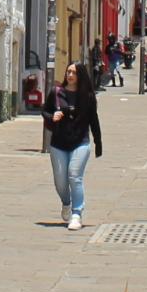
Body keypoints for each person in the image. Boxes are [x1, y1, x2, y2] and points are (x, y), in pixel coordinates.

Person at [44, 61, 104, 230]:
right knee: (60, 181)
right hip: (58, 143)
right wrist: (52, 116)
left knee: (74, 176)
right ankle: (66, 202)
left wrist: (98, 142)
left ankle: (77, 213)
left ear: (80, 76)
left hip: (80, 142)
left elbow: (94, 120)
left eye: (74, 72)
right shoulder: (56, 92)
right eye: (68, 71)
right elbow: (45, 111)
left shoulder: (88, 97)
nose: (70, 75)